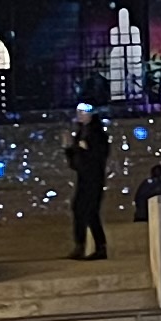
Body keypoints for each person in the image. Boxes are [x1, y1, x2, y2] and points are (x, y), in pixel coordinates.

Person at [63, 106, 112, 261]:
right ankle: (80, 245)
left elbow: (99, 155)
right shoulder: (81, 133)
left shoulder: (97, 134)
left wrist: (84, 150)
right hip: (84, 177)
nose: (80, 115)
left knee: (90, 210)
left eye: (83, 112)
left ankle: (99, 247)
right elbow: (76, 163)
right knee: (79, 208)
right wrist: (69, 149)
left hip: (94, 177)